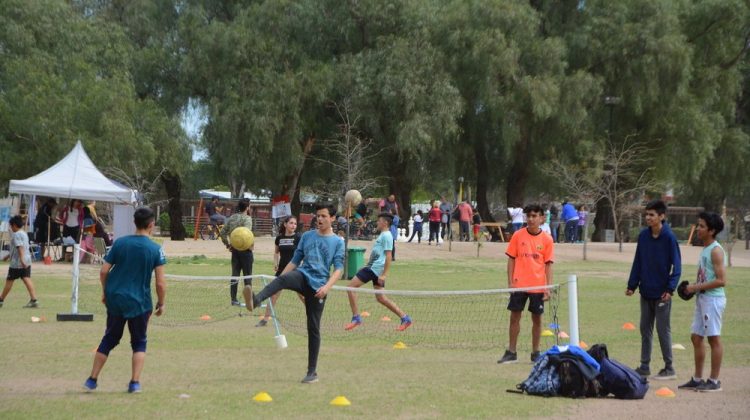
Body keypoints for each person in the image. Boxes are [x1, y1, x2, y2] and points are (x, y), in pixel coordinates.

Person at [245, 204, 345, 384]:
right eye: (317, 216)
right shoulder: (307, 236)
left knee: (313, 328)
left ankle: (312, 372)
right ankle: (255, 300)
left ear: (332, 219)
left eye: (323, 216)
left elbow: (338, 268)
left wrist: (327, 288)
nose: (319, 219)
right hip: (302, 275)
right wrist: (280, 282)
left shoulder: (338, 242)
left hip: (319, 286)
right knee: (282, 279)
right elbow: (295, 261)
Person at [83, 207, 166, 393]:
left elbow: (104, 271)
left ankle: (92, 379)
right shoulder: (155, 249)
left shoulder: (120, 243)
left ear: (134, 223)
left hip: (116, 299)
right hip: (140, 302)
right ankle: (134, 383)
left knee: (109, 339)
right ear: (151, 225)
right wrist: (161, 303)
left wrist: (106, 292)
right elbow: (160, 283)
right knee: (139, 342)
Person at [626, 200, 681, 380]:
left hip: (663, 293)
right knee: (644, 329)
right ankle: (644, 366)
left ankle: (669, 367)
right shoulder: (643, 236)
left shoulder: (669, 238)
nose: (648, 218)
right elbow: (638, 261)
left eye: (652, 215)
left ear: (662, 216)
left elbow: (677, 267)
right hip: (646, 291)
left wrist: (670, 289)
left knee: (662, 329)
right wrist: (632, 285)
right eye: (646, 214)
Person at [498, 204, 554, 364]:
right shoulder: (517, 235)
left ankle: (536, 353)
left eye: (534, 216)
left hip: (538, 286)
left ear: (542, 218)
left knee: (537, 319)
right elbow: (511, 259)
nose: (530, 219)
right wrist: (510, 282)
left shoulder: (547, 239)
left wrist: (548, 287)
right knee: (514, 317)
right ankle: (511, 352)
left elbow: (549, 265)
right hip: (519, 285)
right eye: (528, 216)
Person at [678, 212, 727, 392]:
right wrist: (693, 287)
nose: (698, 229)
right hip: (703, 299)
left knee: (714, 339)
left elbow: (721, 281)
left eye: (702, 226)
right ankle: (698, 379)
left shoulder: (715, 250)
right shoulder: (705, 248)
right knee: (696, 337)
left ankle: (714, 381)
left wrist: (695, 288)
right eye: (698, 225)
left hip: (713, 300)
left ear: (712, 230)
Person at [344, 213, 412, 331]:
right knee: (381, 298)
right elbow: (378, 254)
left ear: (385, 223)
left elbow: (389, 256)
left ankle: (356, 318)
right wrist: (366, 266)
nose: (377, 223)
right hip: (374, 268)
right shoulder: (383, 235)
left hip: (375, 269)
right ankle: (405, 318)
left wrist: (384, 274)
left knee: (350, 288)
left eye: (379, 221)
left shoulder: (387, 236)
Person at [257, 216, 300, 327]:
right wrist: (275, 263)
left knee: (303, 296)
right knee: (274, 295)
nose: (293, 225)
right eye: (291, 223)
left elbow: (303, 253)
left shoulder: (299, 237)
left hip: (295, 271)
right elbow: (276, 253)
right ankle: (265, 319)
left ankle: (312, 315)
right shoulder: (279, 238)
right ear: (285, 224)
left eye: (295, 224)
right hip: (281, 271)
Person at [220, 198, 254, 306]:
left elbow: (222, 232)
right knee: (247, 276)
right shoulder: (247, 219)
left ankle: (233, 299)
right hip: (246, 251)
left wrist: (228, 244)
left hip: (235, 250)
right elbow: (247, 234)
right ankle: (249, 301)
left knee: (235, 275)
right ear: (248, 207)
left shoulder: (232, 218)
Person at [1, 215, 39, 308]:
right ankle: (34, 300)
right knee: (26, 278)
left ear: (14, 225)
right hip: (27, 260)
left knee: (9, 280)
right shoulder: (23, 233)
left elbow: (20, 247)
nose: (10, 228)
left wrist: (21, 260)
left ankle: (1, 299)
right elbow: (19, 247)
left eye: (11, 226)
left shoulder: (17, 234)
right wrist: (7, 256)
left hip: (17, 263)